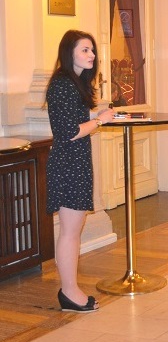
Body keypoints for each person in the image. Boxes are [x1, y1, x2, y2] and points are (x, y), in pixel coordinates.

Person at [46, 30, 115, 313]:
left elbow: (72, 117)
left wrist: (95, 116)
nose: (92, 55)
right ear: (69, 52)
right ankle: (69, 292)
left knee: (72, 231)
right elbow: (68, 132)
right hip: (68, 166)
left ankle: (70, 290)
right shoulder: (62, 83)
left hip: (75, 164)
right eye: (85, 50)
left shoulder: (72, 83)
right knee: (70, 233)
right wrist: (99, 121)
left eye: (92, 50)